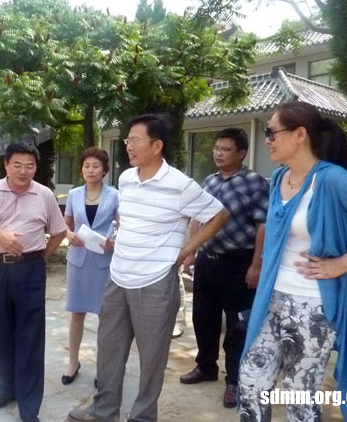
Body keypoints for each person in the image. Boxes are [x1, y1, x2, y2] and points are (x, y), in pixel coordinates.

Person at [239, 101, 347, 422]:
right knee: (251, 385)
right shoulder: (279, 176)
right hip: (271, 300)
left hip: (312, 306)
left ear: (299, 134)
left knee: (299, 396)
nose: (267, 140)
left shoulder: (332, 179)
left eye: (272, 132)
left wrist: (343, 263)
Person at [68, 114, 229, 422]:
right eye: (127, 140)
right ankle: (104, 410)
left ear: (157, 145)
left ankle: (142, 416)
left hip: (155, 282)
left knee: (152, 356)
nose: (128, 146)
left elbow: (219, 215)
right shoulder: (127, 178)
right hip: (118, 276)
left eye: (135, 140)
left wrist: (188, 249)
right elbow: (126, 217)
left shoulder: (179, 184)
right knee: (109, 347)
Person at [0, 142, 66, 422]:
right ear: (6, 165)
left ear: (36, 167)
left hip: (31, 271)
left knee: (30, 337)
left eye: (30, 166)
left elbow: (59, 231)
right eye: (17, 165)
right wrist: (0, 236)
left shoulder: (44, 194)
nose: (24, 171)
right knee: (1, 332)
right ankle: (7, 389)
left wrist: (41, 257)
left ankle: (29, 406)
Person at [179, 128, 269, 408]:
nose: (218, 153)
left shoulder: (254, 183)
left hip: (239, 262)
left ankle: (235, 380)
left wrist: (256, 264)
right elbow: (198, 218)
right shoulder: (209, 181)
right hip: (208, 260)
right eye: (216, 148)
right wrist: (191, 252)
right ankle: (206, 366)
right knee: (203, 318)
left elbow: (263, 225)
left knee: (237, 325)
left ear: (241, 153)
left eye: (226, 149)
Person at [62, 147, 119, 385]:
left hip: (104, 261)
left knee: (106, 316)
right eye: (86, 166)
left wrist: (114, 241)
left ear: (105, 170)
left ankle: (103, 368)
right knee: (77, 312)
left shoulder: (115, 195)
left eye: (96, 166)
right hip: (78, 260)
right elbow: (65, 224)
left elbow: (121, 226)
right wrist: (69, 234)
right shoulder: (73, 194)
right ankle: (73, 361)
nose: (91, 170)